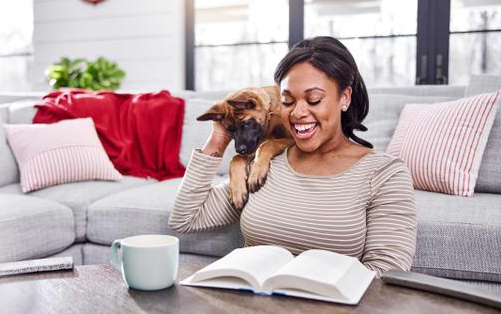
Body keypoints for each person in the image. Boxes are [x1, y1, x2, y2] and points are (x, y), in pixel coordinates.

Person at [168, 36, 416, 277]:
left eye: (314, 99)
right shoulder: (262, 163)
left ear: (345, 98)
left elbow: (388, 273)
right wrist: (220, 138)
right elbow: (186, 219)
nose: (297, 113)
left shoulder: (384, 173)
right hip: (249, 306)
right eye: (287, 101)